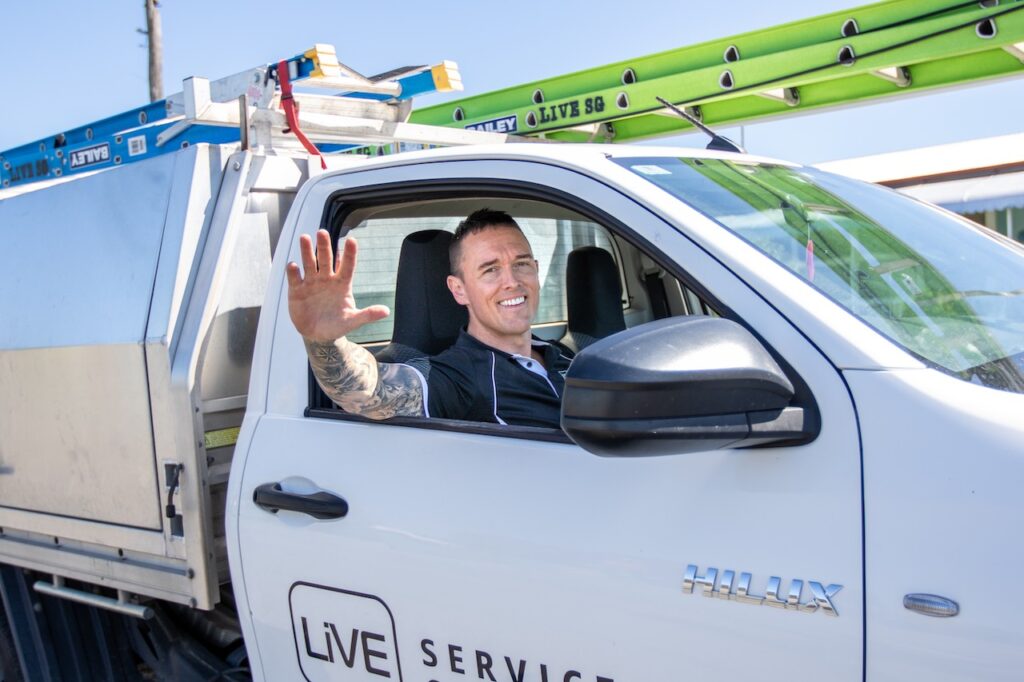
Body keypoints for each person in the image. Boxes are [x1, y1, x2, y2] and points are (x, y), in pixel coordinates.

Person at [287, 209, 573, 428]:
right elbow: (369, 392)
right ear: (458, 290)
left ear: (536, 269)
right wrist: (324, 341)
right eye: (490, 270)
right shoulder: (459, 377)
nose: (512, 282)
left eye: (521, 264)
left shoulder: (563, 355)